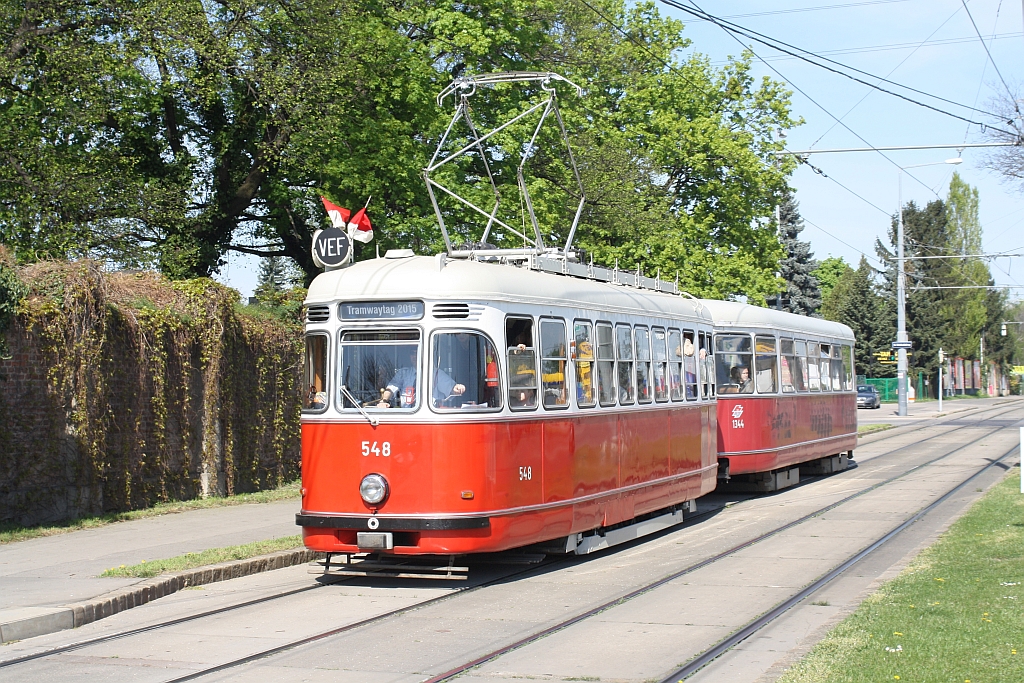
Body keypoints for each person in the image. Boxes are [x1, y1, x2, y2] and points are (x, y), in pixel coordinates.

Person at [377, 347, 464, 408]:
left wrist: (457, 388)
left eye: (417, 353)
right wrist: (384, 401)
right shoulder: (403, 373)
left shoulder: (436, 373)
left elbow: (451, 388)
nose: (415, 356)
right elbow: (391, 388)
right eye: (412, 353)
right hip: (405, 416)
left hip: (428, 418)